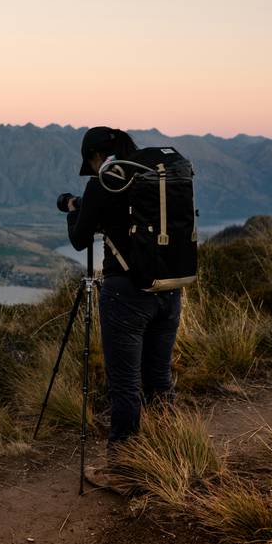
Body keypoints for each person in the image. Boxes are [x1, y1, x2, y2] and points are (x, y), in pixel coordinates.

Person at [64, 126, 183, 490]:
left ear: (97, 155)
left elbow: (80, 238)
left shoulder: (106, 182)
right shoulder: (157, 174)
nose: (93, 166)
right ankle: (170, 456)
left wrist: (74, 209)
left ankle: (124, 468)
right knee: (158, 380)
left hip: (126, 295)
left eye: (92, 160)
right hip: (169, 289)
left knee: (125, 385)